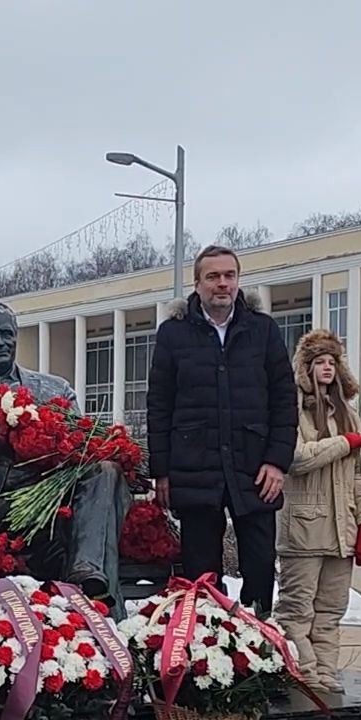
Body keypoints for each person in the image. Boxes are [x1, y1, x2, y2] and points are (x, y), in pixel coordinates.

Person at [0, 300, 128, 600]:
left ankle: (86, 569)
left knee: (106, 469)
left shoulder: (55, 389)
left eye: (7, 334)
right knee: (95, 526)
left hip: (59, 509)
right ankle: (106, 615)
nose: (1, 342)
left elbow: (82, 451)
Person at [148, 245, 297, 616]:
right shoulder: (173, 334)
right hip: (194, 465)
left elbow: (284, 400)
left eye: (229, 276)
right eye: (213, 276)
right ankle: (206, 654)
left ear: (238, 281)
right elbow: (159, 405)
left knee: (260, 567)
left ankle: (259, 647)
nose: (222, 284)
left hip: (254, 467)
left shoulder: (263, 331)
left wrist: (277, 461)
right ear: (197, 283)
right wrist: (162, 471)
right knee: (201, 577)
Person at [276, 329, 361, 693]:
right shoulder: (292, 409)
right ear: (306, 367)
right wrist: (345, 443)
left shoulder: (348, 414)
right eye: (319, 362)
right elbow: (296, 459)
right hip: (304, 528)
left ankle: (326, 672)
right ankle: (303, 670)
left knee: (331, 610)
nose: (327, 369)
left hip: (341, 530)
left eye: (332, 362)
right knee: (296, 609)